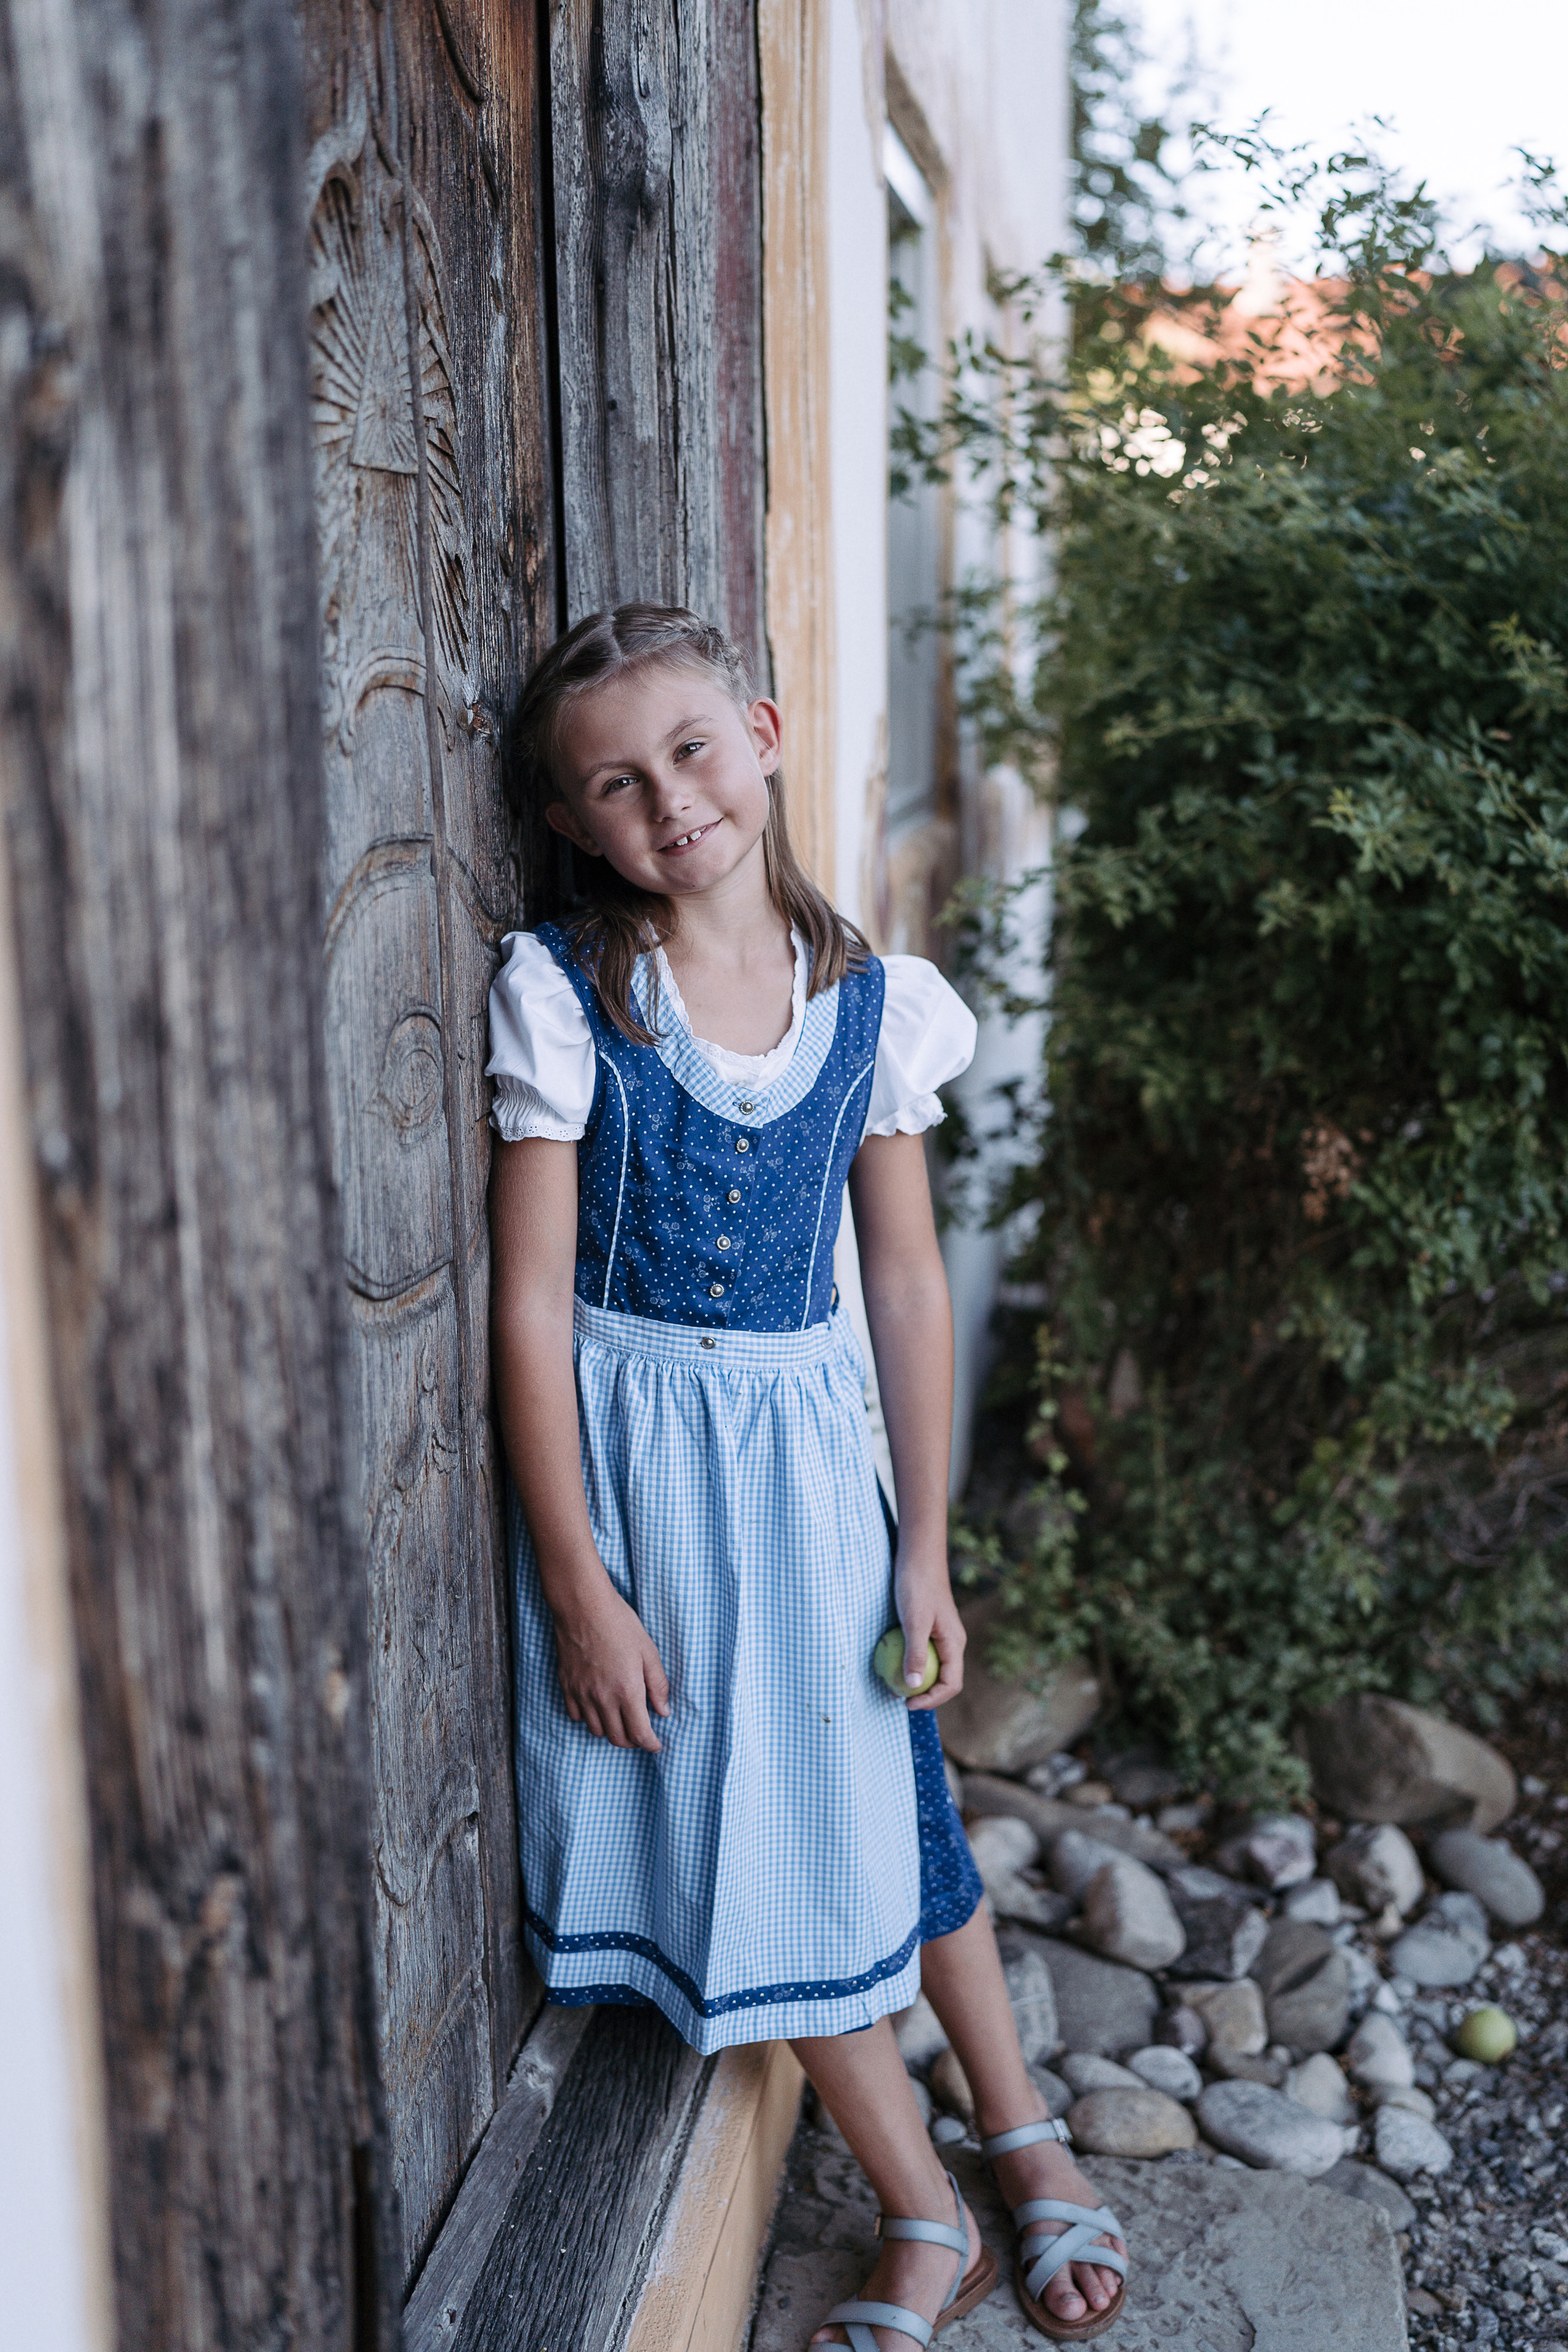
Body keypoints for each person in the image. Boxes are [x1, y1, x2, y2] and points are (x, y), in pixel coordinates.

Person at [486, 605, 1129, 2346]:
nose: (667, 801)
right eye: (615, 784)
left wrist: (925, 1547)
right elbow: (531, 1306)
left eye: (691, 749)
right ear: (570, 821)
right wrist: (579, 1584)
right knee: (769, 1850)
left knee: (895, 1800)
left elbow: (905, 1284)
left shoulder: (868, 1008)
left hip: (815, 1483)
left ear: (762, 736)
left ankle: (1019, 2130)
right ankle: (929, 2213)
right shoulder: (569, 998)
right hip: (651, 1500)